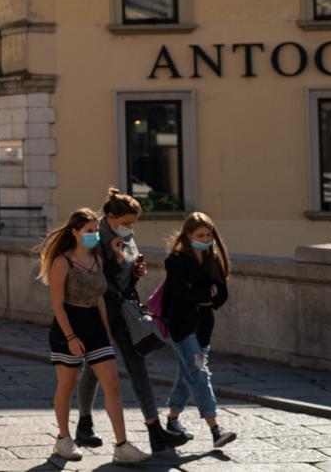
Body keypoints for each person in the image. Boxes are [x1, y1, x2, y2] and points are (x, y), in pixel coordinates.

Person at [76, 190, 190, 453]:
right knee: (95, 365)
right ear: (111, 217)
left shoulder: (126, 236)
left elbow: (126, 277)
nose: (130, 229)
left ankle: (154, 430)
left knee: (137, 365)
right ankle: (84, 423)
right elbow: (96, 277)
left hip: (125, 310)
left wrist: (136, 271)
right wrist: (116, 260)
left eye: (133, 224)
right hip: (101, 309)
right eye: (126, 223)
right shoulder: (96, 237)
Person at [37, 208, 151, 465]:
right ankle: (64, 439)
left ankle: (121, 445)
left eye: (96, 231)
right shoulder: (61, 261)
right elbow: (56, 304)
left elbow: (100, 296)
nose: (94, 235)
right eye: (89, 231)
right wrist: (71, 337)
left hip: (95, 328)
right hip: (69, 327)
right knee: (66, 385)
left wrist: (106, 331)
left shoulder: (97, 259)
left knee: (112, 383)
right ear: (75, 232)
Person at [161, 212, 236, 448]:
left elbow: (221, 294)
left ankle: (172, 420)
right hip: (181, 326)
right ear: (188, 235)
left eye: (208, 234)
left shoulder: (212, 260)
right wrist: (205, 295)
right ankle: (215, 428)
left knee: (188, 373)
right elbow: (183, 293)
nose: (205, 238)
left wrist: (204, 297)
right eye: (200, 235)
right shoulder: (176, 261)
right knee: (199, 372)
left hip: (203, 326)